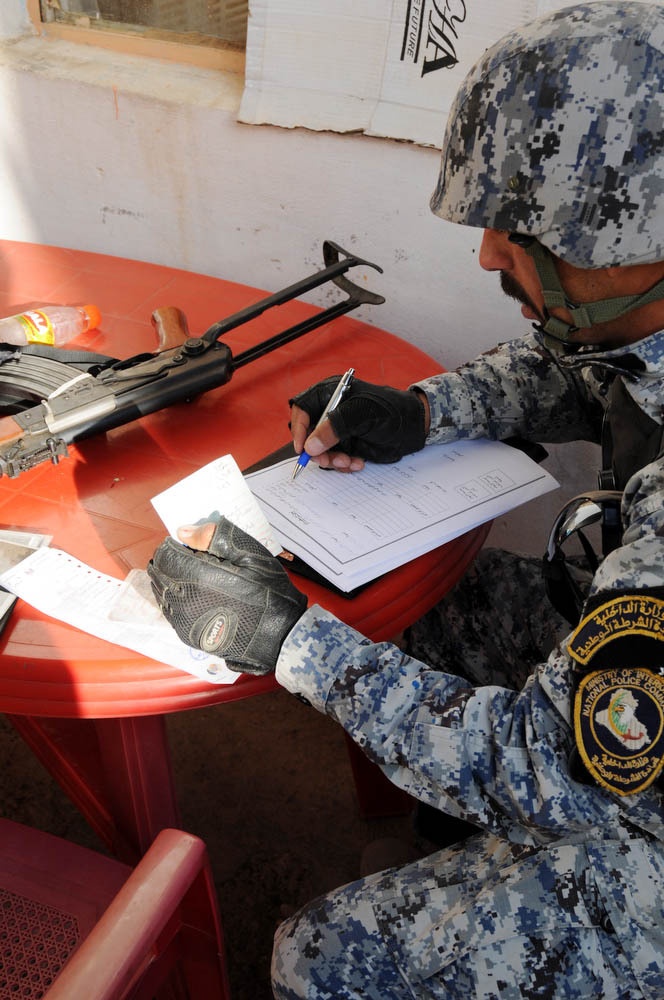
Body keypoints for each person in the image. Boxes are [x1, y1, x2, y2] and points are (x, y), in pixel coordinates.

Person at [147, 2, 664, 996]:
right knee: (428, 601)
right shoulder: (636, 317)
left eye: (516, 229)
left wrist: (289, 640)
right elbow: (579, 371)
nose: (485, 255)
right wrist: (419, 414)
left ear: (630, 231)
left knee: (325, 957)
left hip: (625, 798)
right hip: (608, 670)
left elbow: (552, 771)